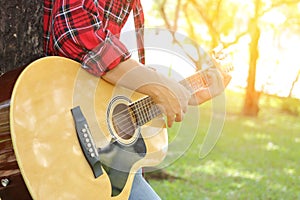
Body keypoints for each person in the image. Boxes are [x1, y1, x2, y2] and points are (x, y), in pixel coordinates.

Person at [43, 0, 231, 199]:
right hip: (61, 144)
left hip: (111, 167)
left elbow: (120, 92)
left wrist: (183, 95)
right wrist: (158, 86)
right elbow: (76, 35)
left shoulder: (134, 8)